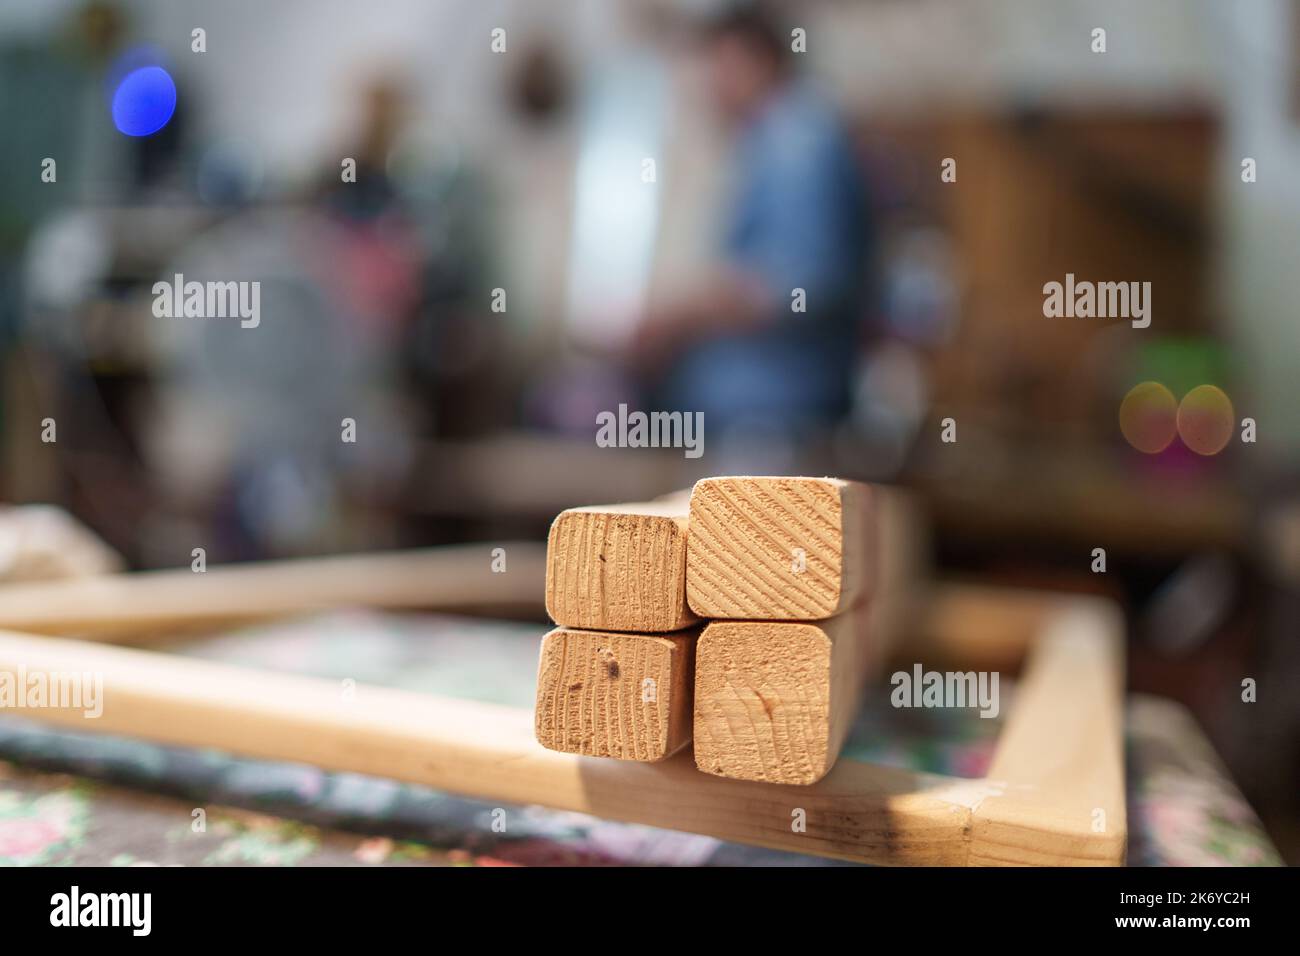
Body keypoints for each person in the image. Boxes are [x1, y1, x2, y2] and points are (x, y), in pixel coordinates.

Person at [634, 4, 871, 435]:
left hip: (778, 403)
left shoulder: (796, 142)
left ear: (760, 62)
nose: (709, 84)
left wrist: (677, 318)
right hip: (763, 398)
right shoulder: (775, 139)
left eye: (718, 65)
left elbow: (801, 285)